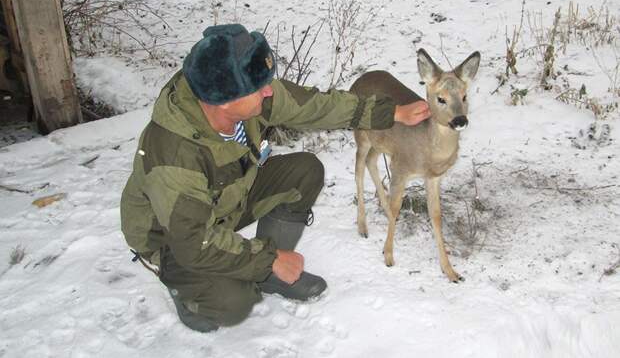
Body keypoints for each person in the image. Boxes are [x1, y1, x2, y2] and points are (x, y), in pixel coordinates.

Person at [120, 24, 430, 332]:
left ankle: (268, 274)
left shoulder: (245, 94)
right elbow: (194, 242)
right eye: (260, 86)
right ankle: (189, 292)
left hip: (225, 200)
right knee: (232, 304)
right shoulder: (175, 154)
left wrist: (391, 113)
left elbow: (316, 106)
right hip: (170, 235)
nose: (269, 91)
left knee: (304, 172)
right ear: (224, 101)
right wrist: (269, 258)